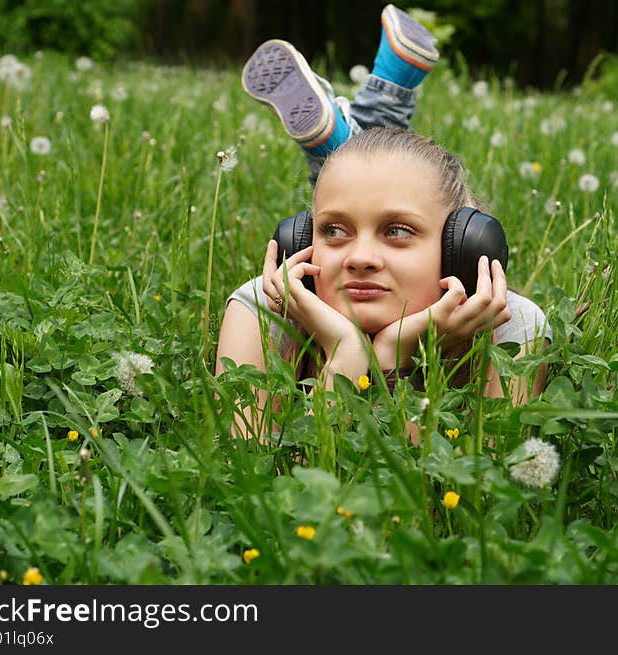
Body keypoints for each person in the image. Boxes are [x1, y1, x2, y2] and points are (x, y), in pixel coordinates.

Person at [216, 5, 551, 441]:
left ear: (462, 249)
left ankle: (356, 128)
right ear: (300, 239)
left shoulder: (512, 329)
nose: (359, 259)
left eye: (397, 231)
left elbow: (454, 505)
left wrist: (397, 355)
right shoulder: (265, 312)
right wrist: (344, 357)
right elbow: (259, 491)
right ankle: (372, 113)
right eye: (334, 231)